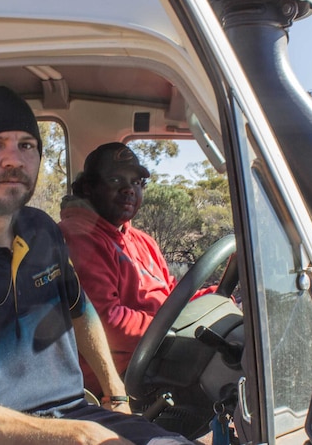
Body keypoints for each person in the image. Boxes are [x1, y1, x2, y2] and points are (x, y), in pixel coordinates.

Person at [0, 86, 191, 444]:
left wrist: (116, 395)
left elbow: (81, 310)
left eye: (26, 145)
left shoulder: (41, 228)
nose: (14, 160)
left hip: (76, 414)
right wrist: (78, 437)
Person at [58, 143, 216, 394]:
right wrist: (168, 327)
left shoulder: (142, 241)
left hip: (154, 353)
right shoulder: (79, 236)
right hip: (118, 377)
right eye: (115, 179)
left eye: (136, 182)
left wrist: (220, 297)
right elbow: (106, 324)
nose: (129, 189)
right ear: (89, 188)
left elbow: (174, 298)